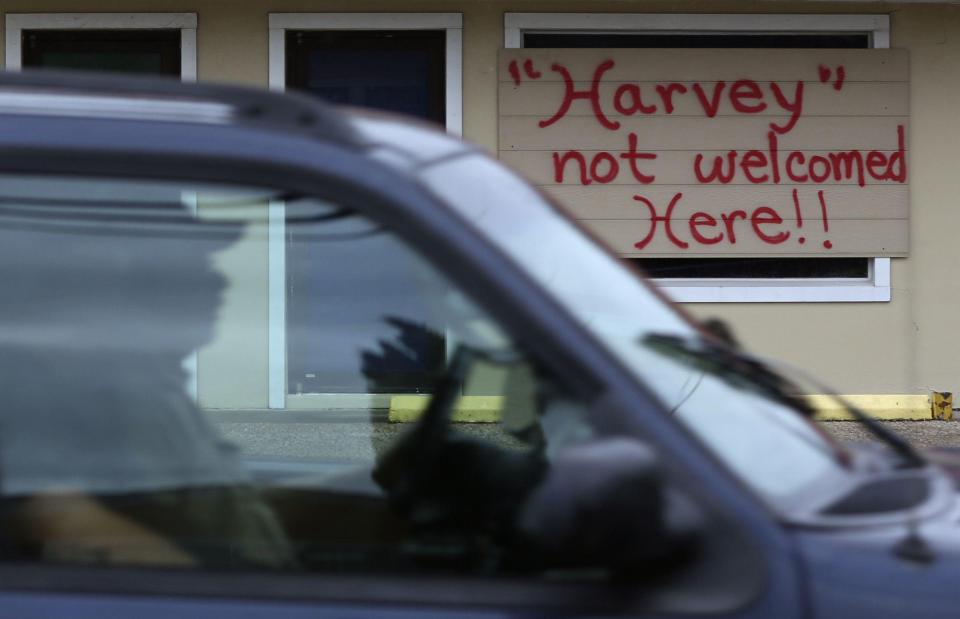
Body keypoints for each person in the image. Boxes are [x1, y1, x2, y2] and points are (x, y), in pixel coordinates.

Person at [0, 185, 292, 568]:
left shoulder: (146, 383)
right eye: (189, 266)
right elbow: (61, 521)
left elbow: (220, 524)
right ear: (114, 275)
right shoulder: (51, 391)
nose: (219, 280)